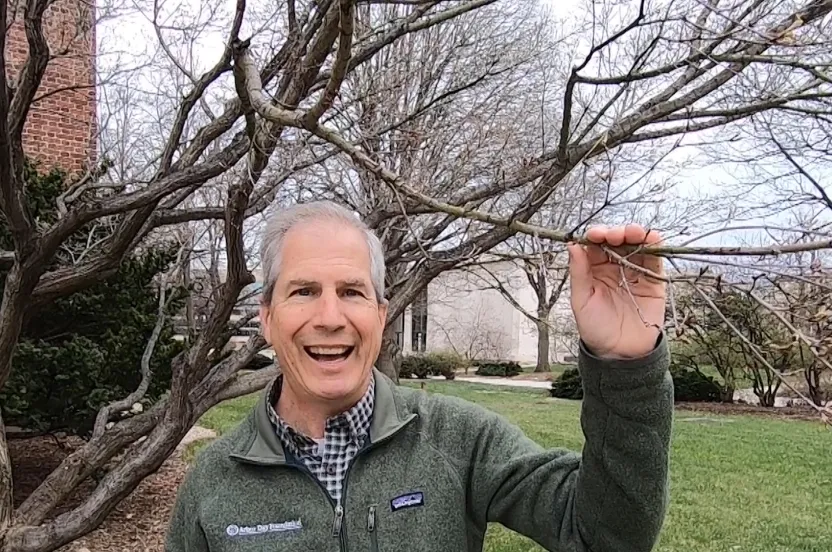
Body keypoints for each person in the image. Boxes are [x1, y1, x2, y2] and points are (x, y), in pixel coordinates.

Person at [166, 200, 673, 552]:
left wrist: (627, 366)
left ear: (381, 316)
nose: (329, 316)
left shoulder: (461, 441)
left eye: (351, 291)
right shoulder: (214, 483)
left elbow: (608, 537)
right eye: (302, 291)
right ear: (268, 318)